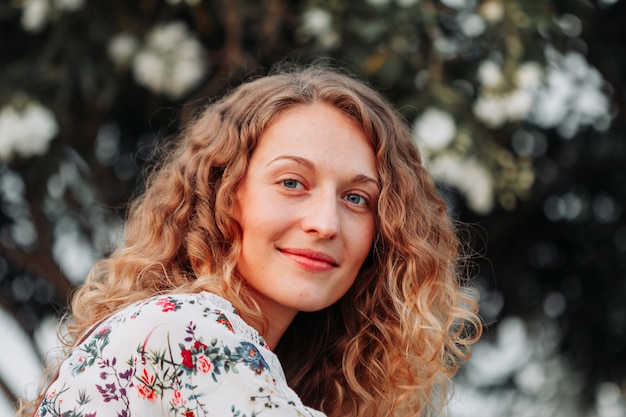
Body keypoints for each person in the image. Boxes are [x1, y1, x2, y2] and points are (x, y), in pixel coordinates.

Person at [21, 66, 481, 417]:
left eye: (357, 198)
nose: (326, 223)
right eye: (291, 183)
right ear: (224, 194)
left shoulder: (267, 366)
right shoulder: (186, 331)